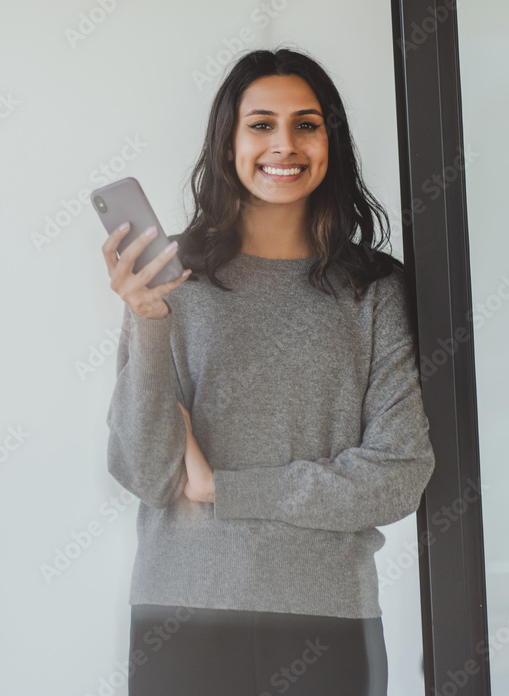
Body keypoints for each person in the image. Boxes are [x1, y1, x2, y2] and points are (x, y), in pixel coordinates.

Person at [101, 47, 436, 696]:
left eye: (305, 124)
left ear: (329, 142)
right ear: (227, 143)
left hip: (328, 617)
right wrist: (147, 320)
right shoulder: (172, 283)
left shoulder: (373, 290)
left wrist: (221, 489)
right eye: (260, 124)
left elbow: (396, 478)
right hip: (183, 615)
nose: (284, 144)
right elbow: (144, 472)